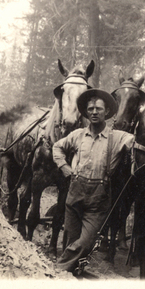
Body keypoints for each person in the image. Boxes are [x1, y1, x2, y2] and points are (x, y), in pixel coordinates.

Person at [52, 89, 134, 275]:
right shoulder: (78, 135)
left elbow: (136, 144)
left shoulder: (118, 137)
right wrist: (64, 167)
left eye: (98, 109)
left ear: (107, 112)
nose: (94, 112)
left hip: (99, 196)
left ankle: (57, 271)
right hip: (75, 191)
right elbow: (57, 147)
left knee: (87, 242)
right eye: (90, 109)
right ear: (86, 112)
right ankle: (73, 276)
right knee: (71, 239)